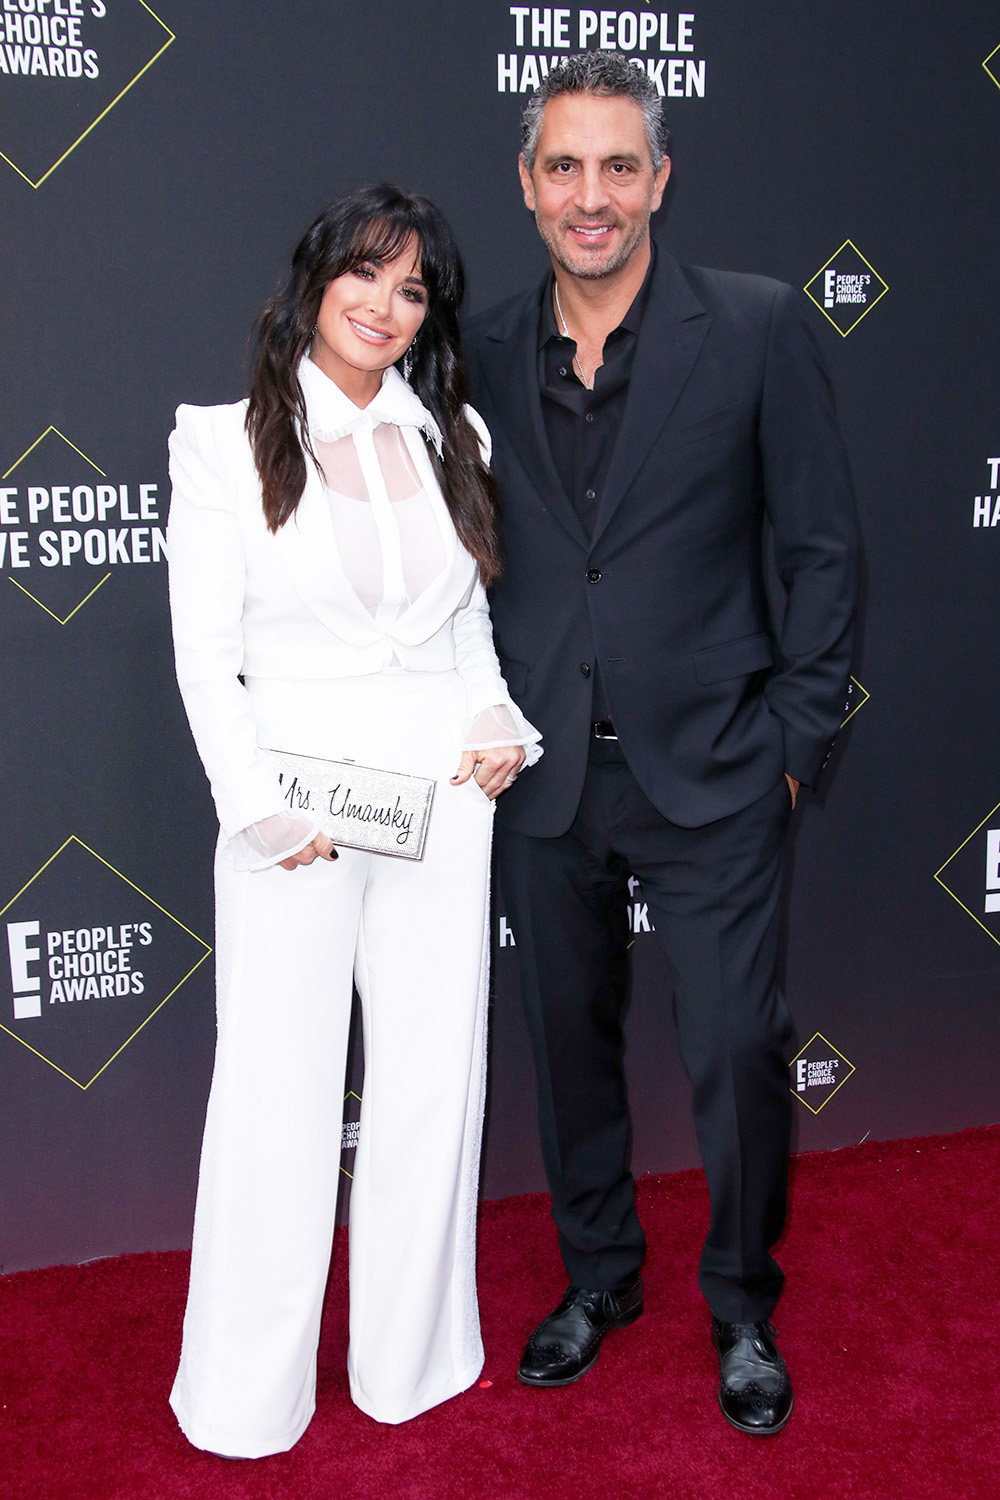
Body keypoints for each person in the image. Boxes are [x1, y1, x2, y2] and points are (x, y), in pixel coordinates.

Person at [465, 54, 858, 1435]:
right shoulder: (482, 350)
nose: (592, 195)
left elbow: (820, 550)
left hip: (718, 768)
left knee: (741, 1047)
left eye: (618, 165)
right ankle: (600, 1279)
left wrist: (798, 740)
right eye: (564, 166)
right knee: (566, 1042)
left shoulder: (753, 329)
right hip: (546, 768)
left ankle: (744, 1301)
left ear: (660, 180)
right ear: (527, 185)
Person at [166, 184, 540, 1457]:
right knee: (276, 1096)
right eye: (366, 276)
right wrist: (257, 813)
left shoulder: (459, 437)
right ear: (317, 278)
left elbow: (465, 624)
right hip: (296, 816)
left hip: (443, 792)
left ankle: (412, 1362)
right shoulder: (222, 443)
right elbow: (206, 654)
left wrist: (497, 721)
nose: (386, 306)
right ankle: (242, 1397)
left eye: (415, 288)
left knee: (437, 1085)